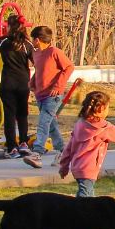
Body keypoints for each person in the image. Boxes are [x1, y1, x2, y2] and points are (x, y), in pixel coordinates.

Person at [58, 90, 115, 197]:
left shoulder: (81, 124)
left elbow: (69, 148)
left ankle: (88, 212)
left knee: (88, 193)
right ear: (101, 109)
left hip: (77, 168)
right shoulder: (102, 128)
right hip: (88, 169)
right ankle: (80, 212)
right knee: (85, 196)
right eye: (108, 108)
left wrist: (64, 166)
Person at [26, 25, 74, 164]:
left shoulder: (54, 52)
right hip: (40, 95)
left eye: (33, 39)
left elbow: (69, 67)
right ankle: (63, 152)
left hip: (52, 96)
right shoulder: (36, 54)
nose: (32, 42)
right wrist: (32, 82)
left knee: (43, 123)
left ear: (37, 39)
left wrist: (58, 86)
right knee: (51, 126)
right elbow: (39, 70)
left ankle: (37, 153)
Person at [0, 20, 33, 158]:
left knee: (10, 115)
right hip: (23, 82)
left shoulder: (3, 42)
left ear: (9, 27)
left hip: (8, 83)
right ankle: (23, 142)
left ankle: (12, 147)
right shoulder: (27, 44)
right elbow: (36, 60)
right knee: (22, 114)